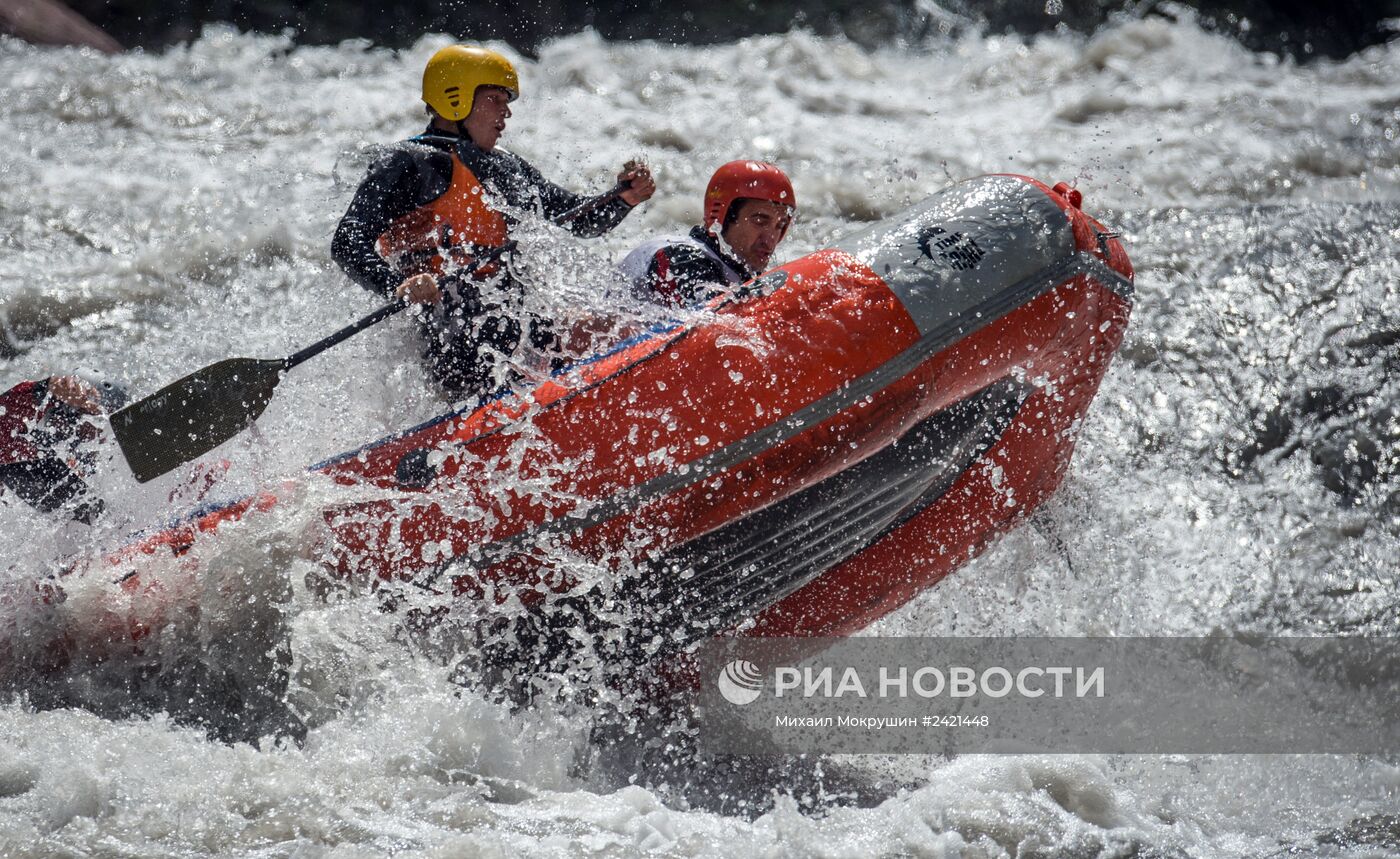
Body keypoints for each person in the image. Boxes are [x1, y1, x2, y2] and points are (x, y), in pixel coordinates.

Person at [332, 44, 655, 398]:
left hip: (517, 318)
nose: (507, 113)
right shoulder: (408, 163)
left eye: (507, 102)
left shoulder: (507, 166)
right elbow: (348, 241)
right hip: (454, 334)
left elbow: (576, 219)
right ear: (456, 99)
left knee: (628, 330)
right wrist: (397, 284)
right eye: (495, 100)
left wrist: (624, 197)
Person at [620, 160, 795, 307]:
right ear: (722, 218)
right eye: (760, 221)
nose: (770, 239)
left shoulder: (736, 270)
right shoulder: (682, 259)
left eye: (780, 225)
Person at [0, 374, 126, 523]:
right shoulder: (26, 450)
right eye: (91, 418)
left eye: (103, 421)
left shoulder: (115, 466)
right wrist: (43, 389)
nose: (97, 431)